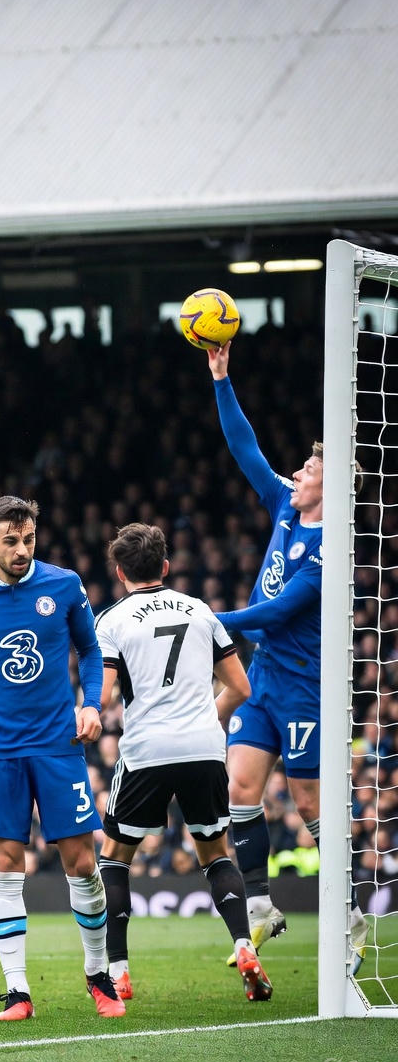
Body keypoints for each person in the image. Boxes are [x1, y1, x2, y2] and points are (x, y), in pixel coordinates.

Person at [206, 341, 367, 970]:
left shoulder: (332, 550)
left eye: (307, 469)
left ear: (332, 485)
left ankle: (350, 915)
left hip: (307, 685)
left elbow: (277, 612)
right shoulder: (285, 508)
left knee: (307, 805)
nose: (296, 472)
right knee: (239, 787)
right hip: (265, 675)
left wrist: (206, 619)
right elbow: (245, 449)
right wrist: (223, 380)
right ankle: (263, 907)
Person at [0, 495, 125, 1021]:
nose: (22, 550)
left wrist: (91, 703)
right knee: (3, 865)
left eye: (29, 540)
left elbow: (90, 651)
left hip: (57, 745)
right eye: (11, 541)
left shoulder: (64, 585)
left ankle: (98, 974)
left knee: (83, 863)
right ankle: (18, 991)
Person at [95, 523, 272, 1003]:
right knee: (214, 853)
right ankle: (243, 945)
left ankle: (119, 971)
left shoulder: (111, 621)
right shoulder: (200, 611)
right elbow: (240, 688)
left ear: (119, 571)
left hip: (147, 749)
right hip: (203, 747)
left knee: (113, 857)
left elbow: (105, 695)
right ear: (166, 567)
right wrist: (201, 722)